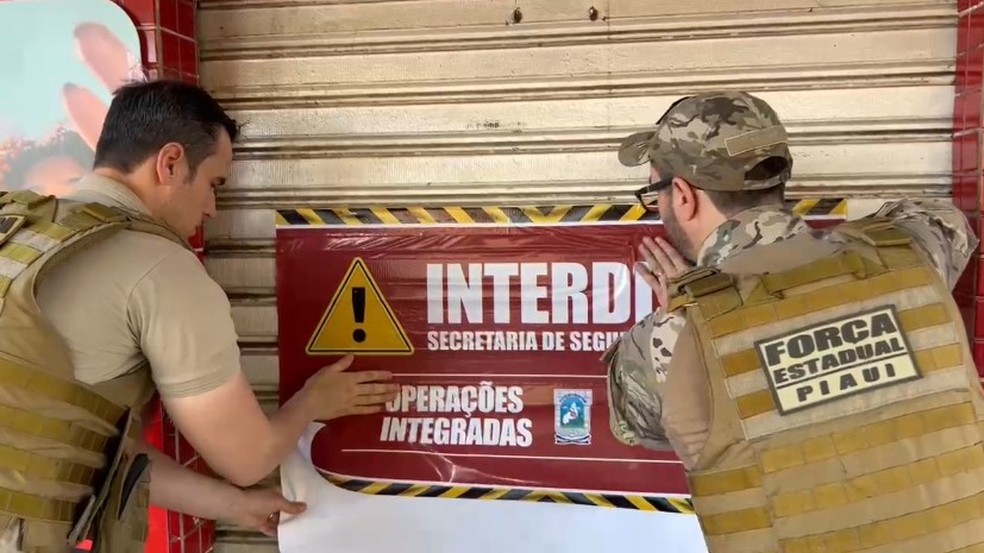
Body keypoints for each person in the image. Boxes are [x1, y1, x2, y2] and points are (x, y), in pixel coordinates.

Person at [0, 79, 398, 552]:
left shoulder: (17, 231)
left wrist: (233, 506)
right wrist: (311, 403)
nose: (212, 208)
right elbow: (247, 459)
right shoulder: (158, 267)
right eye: (214, 184)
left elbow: (82, 445)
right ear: (170, 162)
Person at [604, 90, 984, 552]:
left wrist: (692, 302)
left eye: (655, 194)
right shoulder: (909, 253)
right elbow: (945, 220)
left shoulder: (672, 336)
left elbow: (635, 424)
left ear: (682, 196)